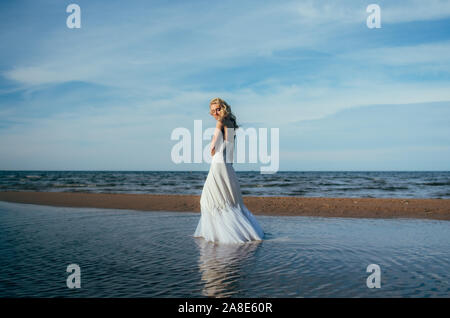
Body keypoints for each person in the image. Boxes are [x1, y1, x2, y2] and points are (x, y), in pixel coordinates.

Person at [193, 97, 264, 244]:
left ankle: (222, 235)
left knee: (208, 200)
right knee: (228, 202)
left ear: (224, 108)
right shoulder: (231, 123)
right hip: (227, 165)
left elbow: (213, 148)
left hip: (219, 163)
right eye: (212, 111)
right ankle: (235, 233)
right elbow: (230, 151)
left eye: (218, 109)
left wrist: (212, 150)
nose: (215, 113)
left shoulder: (221, 122)